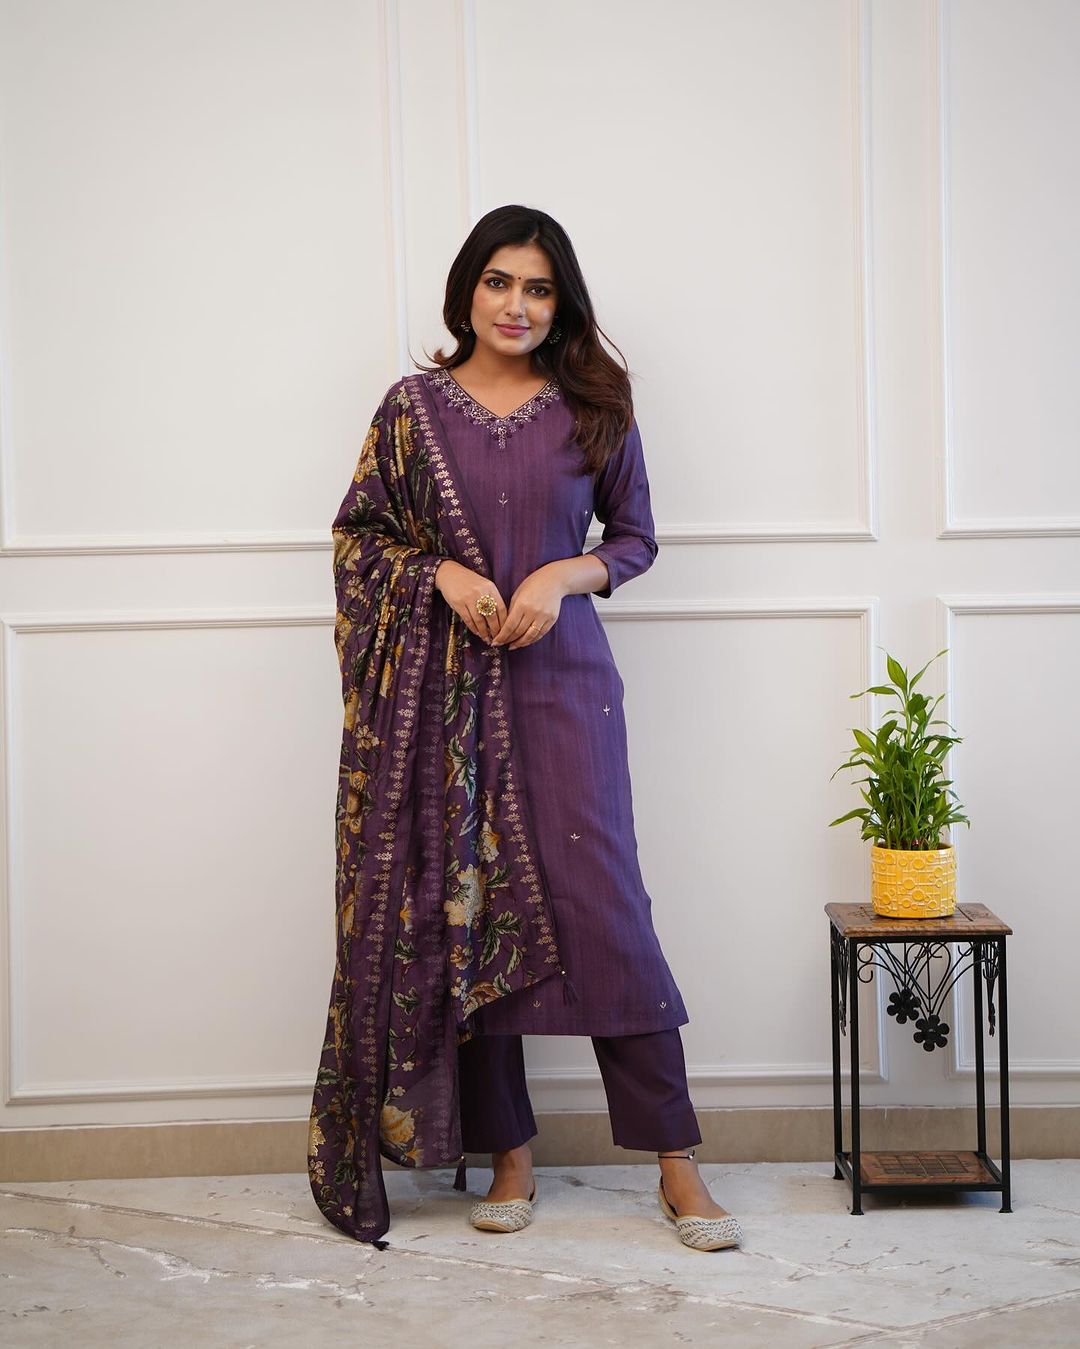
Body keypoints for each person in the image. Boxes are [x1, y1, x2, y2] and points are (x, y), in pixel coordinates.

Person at [307, 204, 741, 1253]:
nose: (517, 305)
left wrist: (560, 574)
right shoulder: (411, 410)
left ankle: (677, 1160)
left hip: (566, 690)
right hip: (445, 700)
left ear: (562, 302)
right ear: (467, 290)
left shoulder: (594, 405)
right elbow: (359, 537)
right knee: (469, 907)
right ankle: (509, 1155)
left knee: (609, 914)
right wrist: (439, 573)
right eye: (499, 282)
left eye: (539, 288)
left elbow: (634, 537)